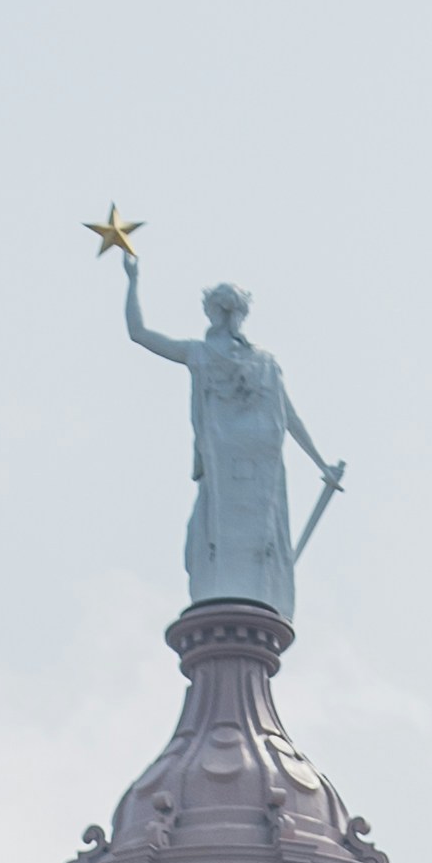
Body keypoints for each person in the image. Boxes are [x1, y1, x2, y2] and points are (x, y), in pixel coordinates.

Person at [118, 259, 342, 612]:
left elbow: (139, 333)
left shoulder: (240, 360)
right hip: (232, 466)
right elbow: (290, 417)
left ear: (212, 313)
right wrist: (321, 464)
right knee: (224, 540)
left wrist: (133, 280)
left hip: (249, 469)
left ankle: (248, 606)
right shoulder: (243, 360)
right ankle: (237, 608)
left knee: (234, 541)